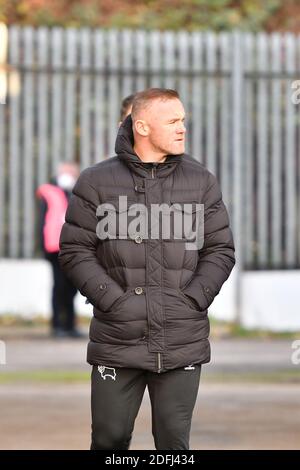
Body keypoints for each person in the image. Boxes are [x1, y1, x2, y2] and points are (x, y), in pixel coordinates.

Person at [59, 88, 235, 450]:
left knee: (173, 443)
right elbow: (76, 250)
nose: (182, 128)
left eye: (183, 120)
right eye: (173, 121)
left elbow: (220, 249)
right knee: (109, 439)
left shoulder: (201, 181)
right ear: (141, 126)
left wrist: (192, 300)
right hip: (117, 338)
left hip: (181, 339)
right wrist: (113, 301)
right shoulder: (96, 182)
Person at [37, 162, 82, 338]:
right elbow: (42, 221)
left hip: (75, 246)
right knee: (59, 286)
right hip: (55, 247)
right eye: (65, 172)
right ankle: (57, 326)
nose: (68, 176)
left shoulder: (77, 191)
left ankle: (69, 325)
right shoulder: (49, 192)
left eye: (71, 173)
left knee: (72, 287)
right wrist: (43, 247)